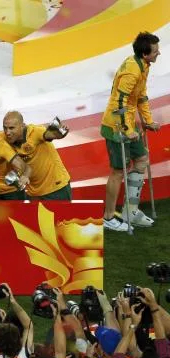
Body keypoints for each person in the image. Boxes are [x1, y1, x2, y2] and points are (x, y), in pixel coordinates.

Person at [101, 32, 161, 231]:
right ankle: (108, 217)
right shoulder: (132, 71)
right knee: (118, 172)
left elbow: (141, 96)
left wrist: (148, 121)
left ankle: (130, 210)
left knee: (142, 159)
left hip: (129, 123)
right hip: (116, 126)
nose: (158, 53)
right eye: (155, 51)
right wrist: (127, 129)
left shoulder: (144, 66)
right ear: (145, 54)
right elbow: (120, 102)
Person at [0, 111, 72, 200]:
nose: (7, 132)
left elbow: (48, 134)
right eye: (5, 128)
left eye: (11, 128)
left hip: (56, 188)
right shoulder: (4, 139)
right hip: (33, 193)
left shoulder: (35, 132)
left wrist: (57, 134)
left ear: (22, 126)